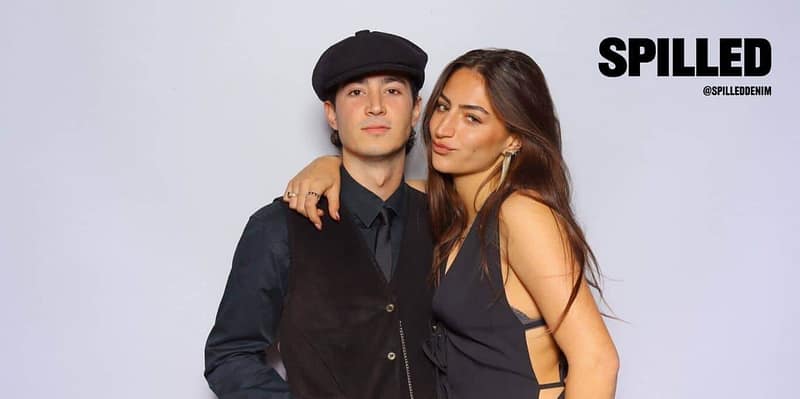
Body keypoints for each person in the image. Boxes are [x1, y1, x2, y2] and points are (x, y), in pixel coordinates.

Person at [285, 49, 619, 399]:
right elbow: (378, 185)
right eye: (443, 108)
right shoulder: (454, 208)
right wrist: (328, 165)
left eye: (473, 119)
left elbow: (596, 360)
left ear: (514, 138)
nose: (444, 129)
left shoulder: (521, 213)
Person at [204, 30, 438, 399]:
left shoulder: (446, 219)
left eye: (392, 91)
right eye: (356, 92)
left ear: (415, 110)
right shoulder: (278, 228)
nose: (375, 106)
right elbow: (229, 356)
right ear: (331, 114)